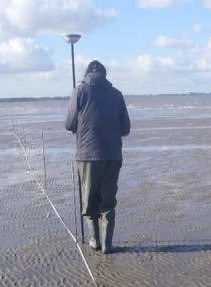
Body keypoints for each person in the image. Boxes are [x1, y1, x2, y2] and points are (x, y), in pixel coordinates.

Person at [65, 60, 130, 254]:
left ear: (87, 74)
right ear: (105, 75)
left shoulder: (79, 91)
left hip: (87, 155)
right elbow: (125, 128)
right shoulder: (117, 94)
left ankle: (94, 241)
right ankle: (107, 245)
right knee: (108, 201)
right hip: (112, 156)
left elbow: (69, 124)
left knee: (89, 198)